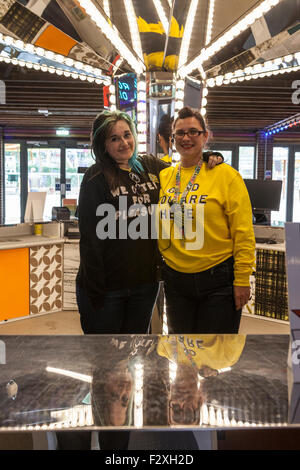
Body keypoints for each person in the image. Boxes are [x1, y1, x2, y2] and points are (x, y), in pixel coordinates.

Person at [76, 109, 223, 335]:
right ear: (102, 144)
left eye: (127, 135)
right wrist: (96, 291)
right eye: (114, 138)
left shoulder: (151, 166)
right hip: (107, 288)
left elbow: (184, 172)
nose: (124, 143)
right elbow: (90, 241)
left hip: (145, 285)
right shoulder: (95, 177)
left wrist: (207, 155)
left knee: (134, 356)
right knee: (105, 360)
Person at [158, 106, 256, 334]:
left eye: (193, 131)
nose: (186, 138)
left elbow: (243, 232)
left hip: (217, 280)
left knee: (214, 358)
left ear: (205, 135)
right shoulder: (165, 176)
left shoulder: (227, 176)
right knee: (181, 353)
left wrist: (242, 279)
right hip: (175, 280)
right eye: (180, 133)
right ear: (172, 139)